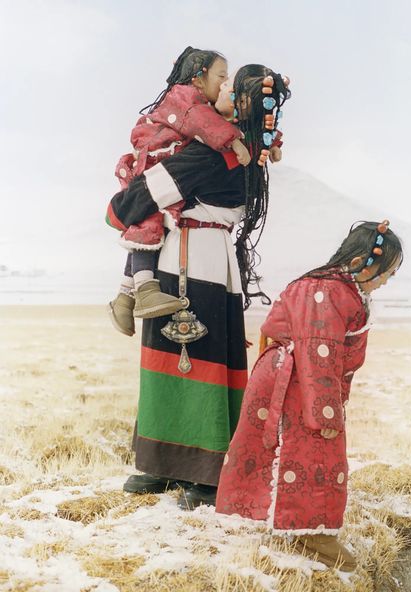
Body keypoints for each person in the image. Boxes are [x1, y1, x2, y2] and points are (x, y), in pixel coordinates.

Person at [106, 64, 291, 507]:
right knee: (193, 359)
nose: (218, 91)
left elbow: (127, 205)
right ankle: (172, 465)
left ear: (243, 101)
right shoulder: (247, 152)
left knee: (188, 359)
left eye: (229, 86)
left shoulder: (207, 155)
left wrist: (122, 204)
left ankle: (199, 473)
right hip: (212, 258)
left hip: (187, 260)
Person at [215, 220, 403, 572]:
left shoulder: (331, 286)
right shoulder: (329, 291)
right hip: (299, 380)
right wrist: (326, 411)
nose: (385, 281)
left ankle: (285, 522)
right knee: (315, 451)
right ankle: (312, 534)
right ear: (365, 261)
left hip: (294, 378)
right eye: (386, 272)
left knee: (284, 452)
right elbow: (320, 351)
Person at [107, 46, 267, 336]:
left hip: (194, 260)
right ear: (198, 78)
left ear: (243, 100)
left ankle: (129, 295)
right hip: (206, 258)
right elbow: (206, 125)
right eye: (222, 76)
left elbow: (141, 199)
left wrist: (119, 211)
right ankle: (133, 294)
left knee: (146, 219)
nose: (224, 82)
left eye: (229, 80)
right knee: (148, 223)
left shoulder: (211, 150)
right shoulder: (201, 117)